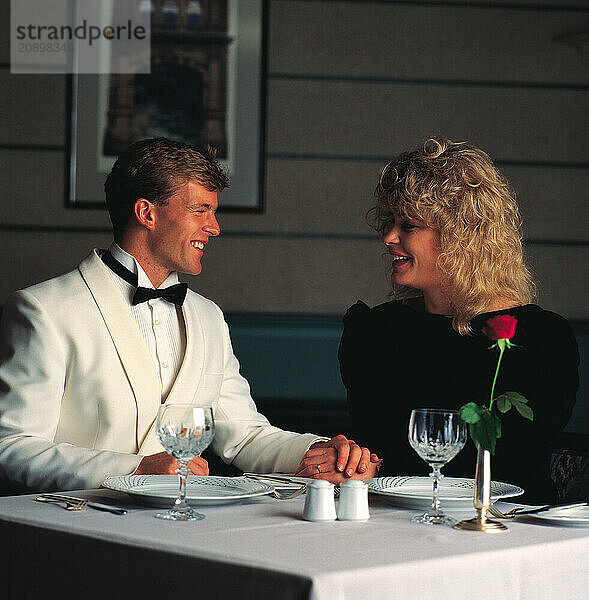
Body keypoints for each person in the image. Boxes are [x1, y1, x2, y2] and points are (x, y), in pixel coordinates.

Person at [0, 137, 379, 493]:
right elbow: (11, 446)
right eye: (201, 211)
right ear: (146, 213)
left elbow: (244, 435)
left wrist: (324, 453)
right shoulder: (43, 310)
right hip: (76, 533)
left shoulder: (207, 317)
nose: (214, 227)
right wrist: (133, 469)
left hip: (184, 534)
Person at [338, 138, 579, 504]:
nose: (389, 237)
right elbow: (376, 450)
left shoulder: (542, 340)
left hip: (505, 533)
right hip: (391, 528)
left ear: (461, 236)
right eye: (390, 221)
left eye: (409, 225)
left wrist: (380, 468)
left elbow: (509, 464)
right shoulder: (376, 333)